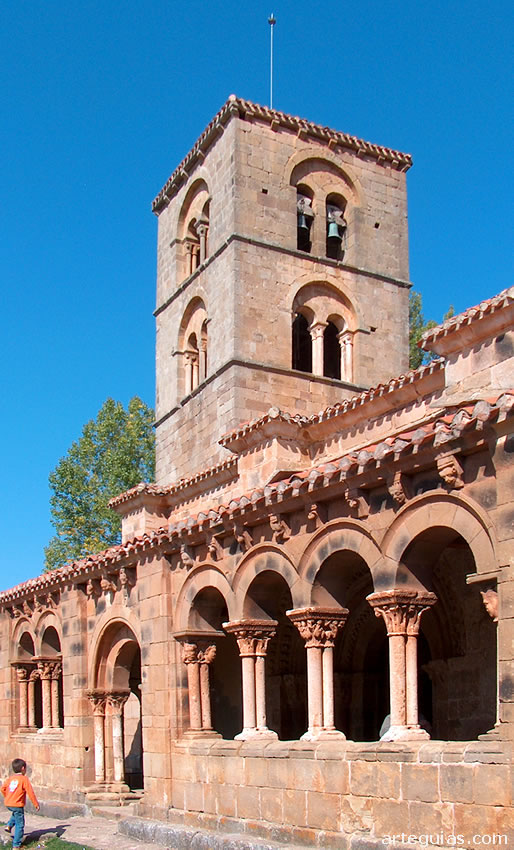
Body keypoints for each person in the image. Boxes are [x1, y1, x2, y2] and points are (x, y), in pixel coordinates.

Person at [1, 758, 40, 849]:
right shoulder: (24, 779)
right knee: (20, 824)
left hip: (8, 803)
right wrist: (36, 804)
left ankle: (9, 825)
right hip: (17, 804)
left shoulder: (10, 778)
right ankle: (16, 845)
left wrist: (7, 796)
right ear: (23, 768)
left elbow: (2, 788)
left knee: (16, 813)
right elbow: (30, 792)